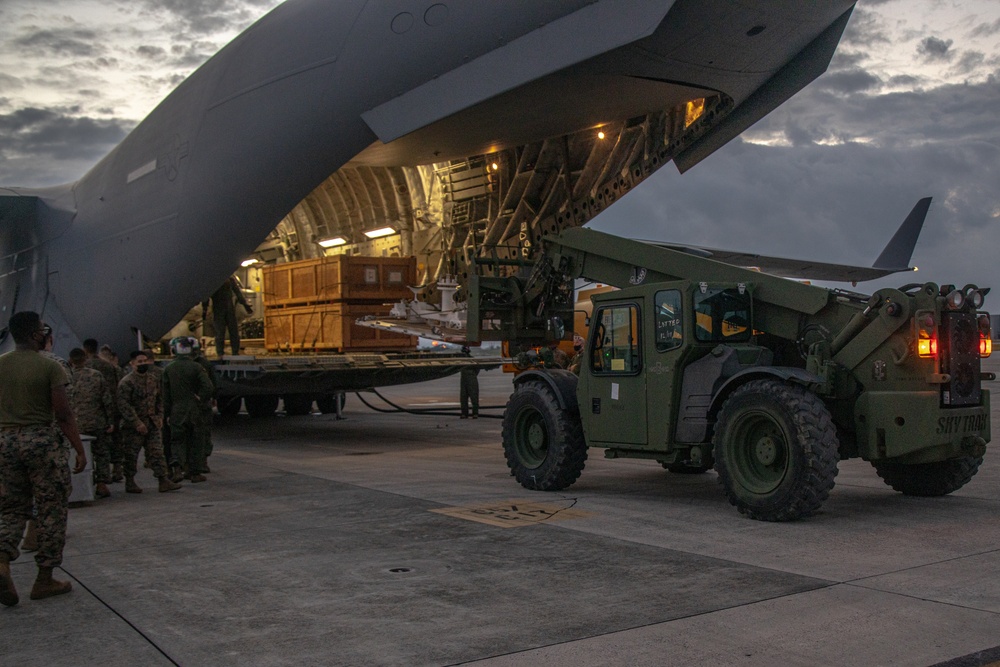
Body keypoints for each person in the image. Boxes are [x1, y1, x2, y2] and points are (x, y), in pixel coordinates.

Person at [0, 312, 87, 606]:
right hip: (41, 442)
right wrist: (79, 447)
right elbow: (63, 414)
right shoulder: (49, 367)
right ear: (36, 334)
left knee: (11, 507)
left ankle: (1, 560)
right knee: (51, 508)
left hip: (5, 442)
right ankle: (44, 578)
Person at [117, 351, 182, 494]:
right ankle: (130, 481)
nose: (142, 364)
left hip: (152, 423)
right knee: (131, 455)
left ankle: (163, 480)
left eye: (144, 361)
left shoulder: (152, 379)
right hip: (133, 427)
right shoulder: (126, 382)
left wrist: (159, 417)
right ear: (132, 364)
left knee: (157, 452)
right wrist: (137, 423)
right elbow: (124, 405)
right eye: (139, 362)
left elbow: (159, 400)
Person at [162, 337, 214, 483]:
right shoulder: (197, 367)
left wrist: (166, 413)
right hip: (194, 409)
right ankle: (195, 473)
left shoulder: (168, 368)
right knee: (196, 440)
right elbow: (208, 387)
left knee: (177, 440)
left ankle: (177, 468)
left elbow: (165, 395)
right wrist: (200, 398)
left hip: (176, 410)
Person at [67, 348, 115, 498]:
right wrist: (111, 420)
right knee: (101, 453)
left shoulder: (67, 377)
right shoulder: (96, 375)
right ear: (85, 359)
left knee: (79, 454)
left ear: (71, 360)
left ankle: (81, 484)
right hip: (97, 421)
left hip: (76, 425)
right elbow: (106, 400)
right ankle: (101, 484)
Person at [83, 338, 123, 482]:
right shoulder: (109, 367)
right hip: (109, 410)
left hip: (88, 413)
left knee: (92, 447)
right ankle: (115, 470)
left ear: (85, 349)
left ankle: (93, 476)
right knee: (110, 444)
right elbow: (115, 389)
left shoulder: (83, 367)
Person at [202, 275, 253, 356]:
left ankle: (221, 354)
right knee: (231, 332)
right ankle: (233, 353)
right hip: (228, 309)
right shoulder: (229, 278)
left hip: (219, 309)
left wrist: (204, 310)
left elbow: (206, 297)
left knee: (221, 333)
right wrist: (245, 305)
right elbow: (238, 293)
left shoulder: (213, 280)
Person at [459, 346, 480, 420]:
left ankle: (475, 413)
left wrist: (472, 375)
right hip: (464, 379)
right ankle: (464, 413)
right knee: (463, 397)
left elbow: (477, 369)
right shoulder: (461, 361)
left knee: (474, 397)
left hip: (471, 379)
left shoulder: (472, 360)